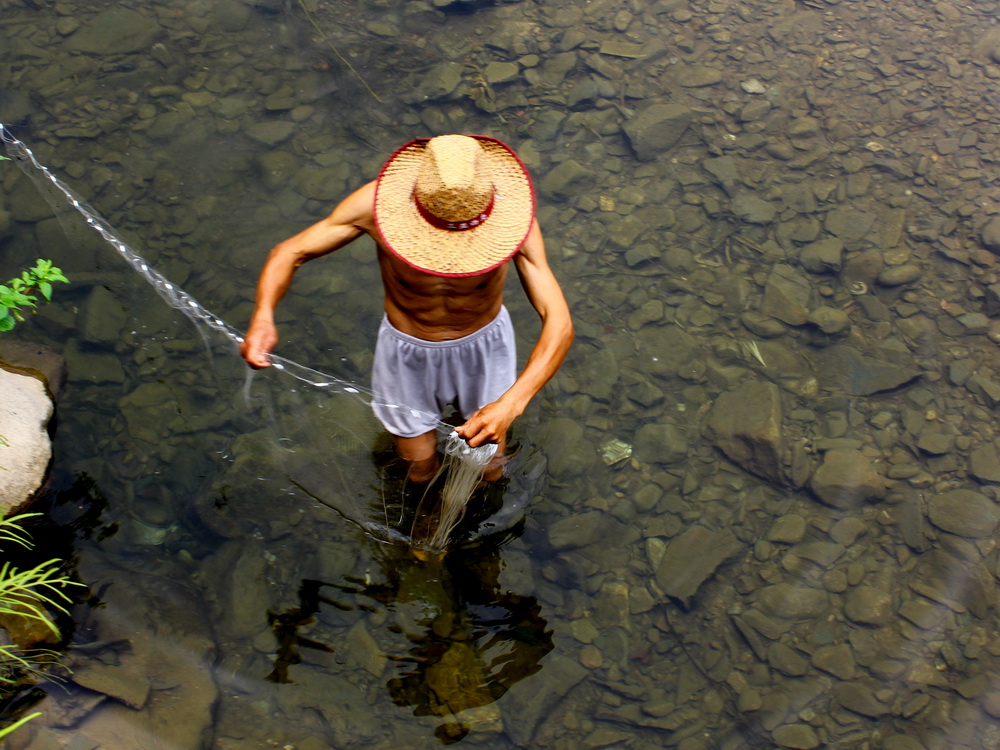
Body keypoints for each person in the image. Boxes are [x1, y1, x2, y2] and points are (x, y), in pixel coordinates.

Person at [241, 134, 573, 483]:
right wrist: (263, 315)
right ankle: (426, 523)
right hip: (407, 349)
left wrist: (511, 404)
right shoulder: (375, 206)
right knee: (418, 469)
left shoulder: (512, 220)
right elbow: (289, 252)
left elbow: (559, 322)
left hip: (483, 348)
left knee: (489, 465)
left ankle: (484, 517)